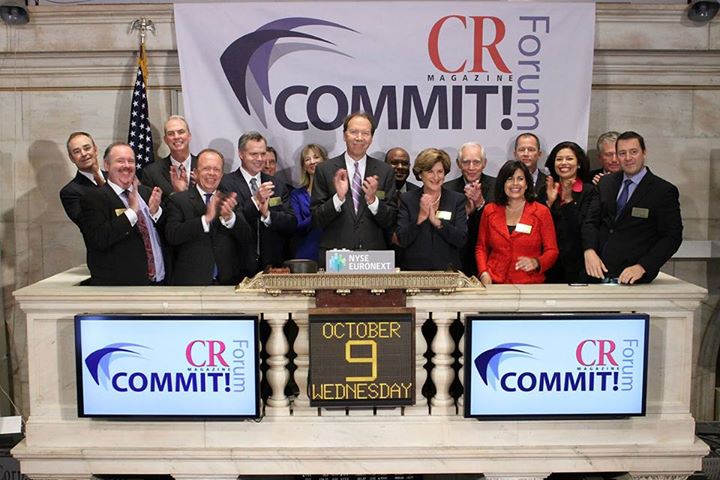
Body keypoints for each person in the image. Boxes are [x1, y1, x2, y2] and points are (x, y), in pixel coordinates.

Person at [582, 131, 683, 284]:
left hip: (634, 279)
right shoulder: (605, 183)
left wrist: (643, 266)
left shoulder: (663, 190)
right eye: (622, 153)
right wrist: (589, 250)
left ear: (644, 153)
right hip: (596, 274)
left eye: (633, 152)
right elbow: (591, 222)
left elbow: (672, 236)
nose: (628, 158)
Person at [311, 112, 397, 267]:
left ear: (371, 138)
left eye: (365, 133)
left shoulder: (385, 171)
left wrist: (373, 201)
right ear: (344, 136)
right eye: (353, 132)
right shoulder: (325, 169)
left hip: (374, 260)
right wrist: (338, 198)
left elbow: (391, 221)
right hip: (336, 259)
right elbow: (316, 219)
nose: (359, 138)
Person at [78, 142, 165, 286]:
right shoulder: (94, 198)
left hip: (159, 282)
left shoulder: (147, 192)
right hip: (122, 287)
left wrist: (156, 212)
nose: (127, 165)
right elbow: (98, 239)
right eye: (120, 161)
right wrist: (131, 212)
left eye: (131, 161)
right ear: (106, 165)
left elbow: (167, 233)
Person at [164, 149, 251, 285]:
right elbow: (172, 235)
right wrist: (205, 220)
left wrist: (230, 218)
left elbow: (246, 237)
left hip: (227, 283)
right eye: (206, 169)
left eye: (216, 169)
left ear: (222, 174)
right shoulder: (179, 200)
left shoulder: (230, 200)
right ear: (196, 172)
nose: (211, 173)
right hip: (191, 283)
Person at [219, 131, 297, 277]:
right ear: (241, 154)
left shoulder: (277, 185)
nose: (260, 159)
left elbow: (291, 223)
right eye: (254, 154)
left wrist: (268, 215)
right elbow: (233, 221)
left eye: (262, 153)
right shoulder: (226, 183)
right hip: (237, 267)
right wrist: (255, 201)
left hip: (272, 268)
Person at [475, 160, 558, 285]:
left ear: (527, 184)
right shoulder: (490, 210)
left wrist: (537, 262)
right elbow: (481, 247)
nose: (515, 183)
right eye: (509, 179)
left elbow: (552, 251)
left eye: (520, 179)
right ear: (502, 183)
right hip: (494, 282)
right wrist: (483, 272)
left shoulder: (541, 212)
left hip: (529, 283)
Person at [395, 148, 466, 271]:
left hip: (448, 273)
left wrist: (438, 223)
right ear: (420, 174)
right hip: (414, 273)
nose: (436, 177)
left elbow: (461, 239)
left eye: (440, 171)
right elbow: (402, 239)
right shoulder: (408, 199)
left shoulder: (456, 200)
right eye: (430, 171)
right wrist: (420, 218)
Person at [543, 141, 596, 284]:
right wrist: (548, 204)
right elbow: (540, 228)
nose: (563, 163)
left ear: (578, 163)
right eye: (559, 159)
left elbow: (583, 228)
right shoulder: (546, 189)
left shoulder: (589, 191)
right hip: (549, 264)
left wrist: (568, 202)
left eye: (569, 158)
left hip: (577, 264)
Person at [444, 142, 496, 277]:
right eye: (466, 162)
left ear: (484, 163)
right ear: (458, 163)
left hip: (489, 261)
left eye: (476, 162)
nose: (471, 167)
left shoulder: (498, 187)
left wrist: (480, 204)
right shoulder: (447, 189)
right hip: (456, 260)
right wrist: (464, 214)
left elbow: (499, 224)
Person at [140, 115, 198, 201]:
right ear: (165, 139)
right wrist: (177, 194)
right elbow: (151, 209)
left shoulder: (204, 167)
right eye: (171, 134)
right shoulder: (151, 173)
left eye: (181, 132)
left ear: (189, 136)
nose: (176, 137)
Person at [289, 144, 327, 261]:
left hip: (334, 254)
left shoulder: (335, 192)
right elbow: (297, 226)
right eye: (307, 159)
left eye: (316, 157)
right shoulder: (297, 195)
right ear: (304, 166)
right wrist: (320, 213)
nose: (312, 162)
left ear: (325, 161)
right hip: (306, 252)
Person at [60, 131, 106, 226]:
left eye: (87, 148)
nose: (84, 154)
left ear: (96, 150)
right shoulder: (69, 192)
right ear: (71, 158)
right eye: (77, 151)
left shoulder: (116, 178)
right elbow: (89, 224)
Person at [513, 133, 546, 198]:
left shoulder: (549, 182)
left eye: (531, 150)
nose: (526, 154)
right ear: (515, 154)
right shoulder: (505, 182)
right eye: (521, 150)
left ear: (539, 154)